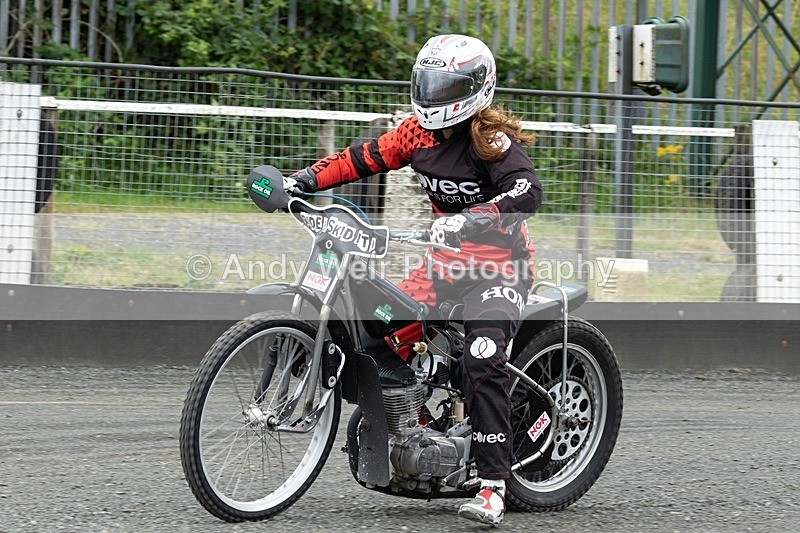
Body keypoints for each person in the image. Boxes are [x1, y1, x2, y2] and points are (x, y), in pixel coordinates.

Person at [285, 34, 543, 525]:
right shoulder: (415, 134)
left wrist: (474, 217)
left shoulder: (490, 141)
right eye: (429, 85)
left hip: (499, 270)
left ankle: (493, 486)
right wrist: (303, 180)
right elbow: (362, 158)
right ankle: (416, 424)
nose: (434, 97)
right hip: (441, 266)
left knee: (482, 355)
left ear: (476, 90)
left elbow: (527, 191)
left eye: (447, 88)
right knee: (385, 327)